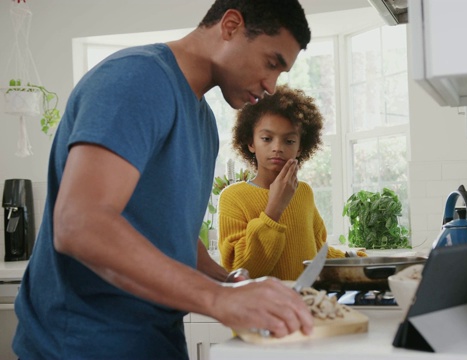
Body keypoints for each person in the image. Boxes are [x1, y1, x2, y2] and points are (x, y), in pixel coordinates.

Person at [12, 1, 315, 359]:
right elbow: (80, 223)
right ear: (231, 26)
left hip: (154, 343)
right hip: (82, 345)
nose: (270, 85)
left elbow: (173, 235)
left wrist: (227, 281)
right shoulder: (138, 78)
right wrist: (218, 299)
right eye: (271, 63)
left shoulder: (204, 123)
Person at [218, 84, 366, 282]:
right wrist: (274, 209)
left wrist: (354, 259)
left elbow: (316, 250)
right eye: (266, 138)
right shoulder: (233, 197)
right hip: (263, 308)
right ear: (251, 143)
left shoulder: (303, 192)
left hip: (307, 303)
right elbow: (242, 269)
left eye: (289, 141)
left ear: (300, 147)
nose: (277, 148)